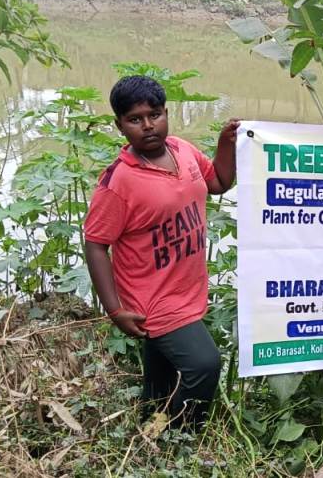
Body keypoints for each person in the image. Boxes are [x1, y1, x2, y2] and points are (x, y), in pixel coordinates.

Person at [83, 75, 238, 429]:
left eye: (154, 115)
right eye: (134, 119)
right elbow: (95, 243)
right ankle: (178, 438)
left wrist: (225, 143)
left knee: (160, 380)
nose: (148, 126)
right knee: (203, 364)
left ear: (166, 113)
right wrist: (115, 309)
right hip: (152, 297)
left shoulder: (182, 151)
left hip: (186, 287)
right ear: (119, 125)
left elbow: (218, 183)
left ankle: (147, 429)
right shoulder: (118, 182)